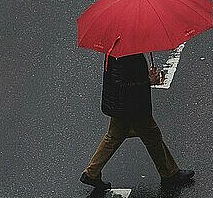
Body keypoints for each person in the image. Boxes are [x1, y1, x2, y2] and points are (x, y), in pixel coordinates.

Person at [80, 52, 194, 190]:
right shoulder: (128, 55)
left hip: (119, 103)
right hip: (133, 106)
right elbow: (127, 85)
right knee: (153, 137)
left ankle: (92, 172)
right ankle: (170, 174)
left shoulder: (115, 49)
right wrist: (148, 82)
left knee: (114, 136)